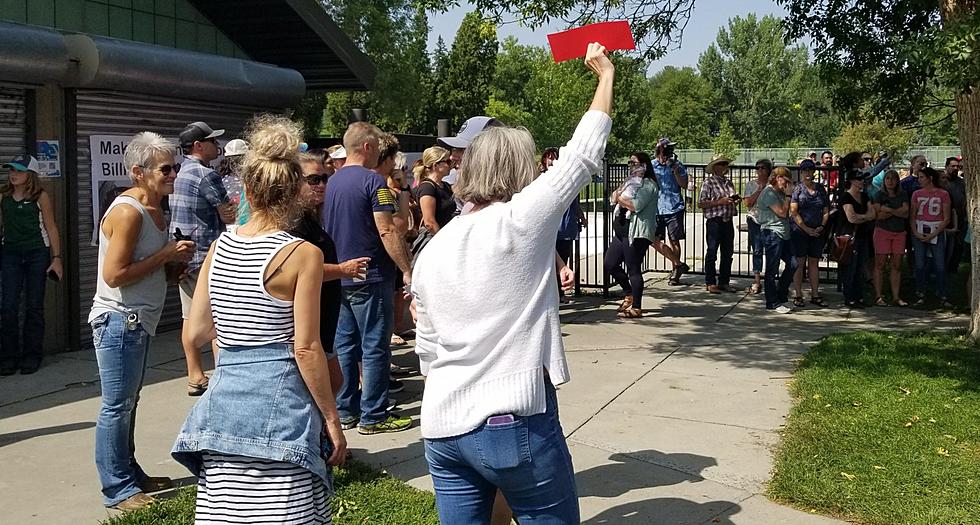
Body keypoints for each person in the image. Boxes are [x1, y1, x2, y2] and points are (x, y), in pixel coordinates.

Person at [411, 42, 614, 525]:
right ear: (521, 172)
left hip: (442, 426)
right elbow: (582, 156)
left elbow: (426, 348)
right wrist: (604, 76)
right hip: (514, 421)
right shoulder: (519, 220)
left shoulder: (431, 249)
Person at [172, 116, 346, 524]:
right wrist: (332, 419)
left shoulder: (220, 245)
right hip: (281, 403)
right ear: (294, 194)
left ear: (247, 188)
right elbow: (306, 347)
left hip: (225, 401)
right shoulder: (303, 255)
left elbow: (196, 331)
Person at [90, 132, 195, 510]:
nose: (173, 174)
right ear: (138, 172)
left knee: (128, 403)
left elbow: (141, 270)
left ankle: (129, 474)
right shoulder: (126, 212)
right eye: (166, 168)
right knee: (116, 406)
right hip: (119, 321)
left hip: (137, 320)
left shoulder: (154, 208)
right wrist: (166, 253)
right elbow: (115, 274)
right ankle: (117, 489)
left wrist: (171, 268)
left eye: (175, 166)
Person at [322, 121, 414, 435]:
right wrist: (406, 269)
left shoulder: (332, 182)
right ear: (368, 147)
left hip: (340, 275)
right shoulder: (375, 184)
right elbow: (387, 230)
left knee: (346, 345)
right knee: (375, 346)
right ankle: (374, 415)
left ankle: (347, 409)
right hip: (371, 275)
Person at [169, 121, 236, 396]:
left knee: (189, 318)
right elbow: (227, 215)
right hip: (207, 256)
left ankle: (194, 374)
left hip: (184, 256)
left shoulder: (178, 172)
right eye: (211, 141)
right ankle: (224, 374)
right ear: (198, 145)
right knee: (219, 318)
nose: (216, 146)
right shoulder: (205, 175)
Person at [1, 155, 63, 375]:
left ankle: (32, 355)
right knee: (8, 307)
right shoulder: (4, 195)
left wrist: (56, 258)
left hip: (37, 253)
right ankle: (8, 357)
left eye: (18, 171)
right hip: (10, 253)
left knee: (34, 306)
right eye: (11, 170)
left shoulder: (40, 196)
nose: (13, 174)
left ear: (30, 174)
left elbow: (51, 227)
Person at [605, 152, 658, 318]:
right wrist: (618, 196)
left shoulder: (648, 185)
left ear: (644, 165)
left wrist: (618, 197)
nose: (631, 166)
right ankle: (629, 293)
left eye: (634, 163)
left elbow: (635, 205)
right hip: (622, 231)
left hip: (636, 232)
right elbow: (613, 197)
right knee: (609, 264)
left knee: (633, 269)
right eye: (629, 163)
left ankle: (637, 306)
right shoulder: (630, 182)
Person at [789, 159, 830, 307]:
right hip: (799, 231)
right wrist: (806, 229)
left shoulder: (820, 189)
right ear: (801, 172)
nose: (807, 173)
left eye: (810, 170)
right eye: (804, 170)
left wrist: (821, 225)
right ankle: (798, 295)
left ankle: (815, 294)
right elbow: (793, 211)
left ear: (814, 171)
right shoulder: (798, 189)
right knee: (800, 263)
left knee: (814, 262)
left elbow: (826, 210)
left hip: (817, 230)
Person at [910, 166, 952, 307]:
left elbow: (946, 217)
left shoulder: (943, 194)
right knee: (920, 264)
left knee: (940, 264)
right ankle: (920, 293)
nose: (919, 180)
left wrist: (935, 233)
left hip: (937, 230)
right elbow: (912, 215)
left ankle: (942, 294)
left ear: (930, 178)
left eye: (922, 177)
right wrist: (916, 232)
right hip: (920, 229)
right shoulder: (916, 194)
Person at [757, 167, 797, 313]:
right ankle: (772, 301)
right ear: (777, 178)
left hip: (784, 234)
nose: (786, 184)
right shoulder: (769, 192)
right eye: (785, 180)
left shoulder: (780, 192)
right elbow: (782, 212)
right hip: (772, 233)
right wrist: (788, 196)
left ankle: (781, 294)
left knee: (793, 264)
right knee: (772, 269)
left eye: (789, 181)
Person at [698, 154, 739, 294]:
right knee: (712, 252)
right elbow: (701, 203)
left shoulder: (729, 183)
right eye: (721, 164)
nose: (724, 167)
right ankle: (710, 282)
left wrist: (734, 200)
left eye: (725, 164)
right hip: (715, 221)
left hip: (728, 220)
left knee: (727, 253)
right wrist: (719, 202)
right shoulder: (708, 183)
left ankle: (724, 281)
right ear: (715, 167)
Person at [651, 138, 690, 285]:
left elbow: (684, 184)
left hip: (674, 207)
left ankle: (675, 272)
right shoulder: (652, 165)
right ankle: (678, 263)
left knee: (675, 240)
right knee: (653, 240)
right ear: (660, 150)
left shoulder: (677, 165)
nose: (670, 151)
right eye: (667, 149)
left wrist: (675, 171)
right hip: (656, 208)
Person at [552, 148, 588, 304]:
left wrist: (582, 217)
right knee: (555, 263)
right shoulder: (547, 181)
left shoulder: (568, 182)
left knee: (563, 260)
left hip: (566, 228)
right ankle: (557, 294)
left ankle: (560, 293)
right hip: (556, 228)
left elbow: (575, 204)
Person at [838, 169, 876, 308]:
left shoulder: (865, 196)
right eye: (859, 179)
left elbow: (873, 214)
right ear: (852, 181)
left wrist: (863, 217)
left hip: (863, 236)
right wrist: (865, 217)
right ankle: (849, 297)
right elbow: (851, 218)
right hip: (850, 238)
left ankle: (859, 296)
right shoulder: (846, 197)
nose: (862, 181)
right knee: (850, 268)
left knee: (861, 268)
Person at [871, 169, 909, 306]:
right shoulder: (878, 195)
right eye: (888, 178)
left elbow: (906, 213)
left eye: (893, 178)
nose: (890, 181)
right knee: (880, 263)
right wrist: (897, 212)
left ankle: (896, 296)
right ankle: (878, 296)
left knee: (897, 264)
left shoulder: (903, 194)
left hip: (899, 232)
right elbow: (878, 215)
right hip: (882, 231)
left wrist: (890, 210)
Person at [743, 159, 772, 294]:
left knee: (772, 250)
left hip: (770, 221)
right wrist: (760, 189)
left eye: (763, 168)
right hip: (754, 219)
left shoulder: (773, 185)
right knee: (757, 250)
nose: (760, 171)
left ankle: (770, 279)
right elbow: (748, 203)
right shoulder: (750, 185)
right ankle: (757, 280)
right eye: (758, 168)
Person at [415, 146, 457, 233]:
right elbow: (429, 222)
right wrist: (442, 241)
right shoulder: (427, 188)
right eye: (448, 162)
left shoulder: (446, 186)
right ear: (435, 165)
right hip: (437, 239)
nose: (451, 165)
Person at [942, 156, 967, 273]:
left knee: (958, 245)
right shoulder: (942, 182)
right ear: (947, 167)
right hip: (944, 219)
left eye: (957, 166)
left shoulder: (962, 183)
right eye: (953, 166)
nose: (955, 168)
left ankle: (952, 269)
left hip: (960, 218)